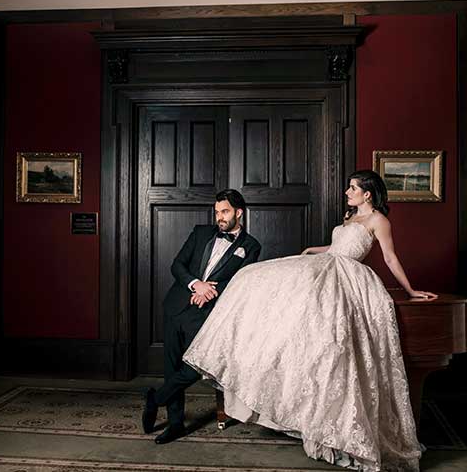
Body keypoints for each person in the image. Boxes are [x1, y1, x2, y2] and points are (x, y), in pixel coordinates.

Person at [182, 170, 435, 471]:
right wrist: (312, 251)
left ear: (368, 193)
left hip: (348, 278)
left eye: (353, 188)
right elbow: (336, 249)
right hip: (326, 266)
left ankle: (340, 427)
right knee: (253, 277)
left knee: (332, 340)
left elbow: (390, 258)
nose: (347, 192)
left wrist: (410, 290)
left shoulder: (378, 221)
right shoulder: (349, 218)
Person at [142, 189, 262, 444]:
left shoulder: (250, 246)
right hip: (177, 305)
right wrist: (197, 284)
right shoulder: (200, 232)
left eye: (225, 211)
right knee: (172, 366)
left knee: (197, 366)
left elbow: (240, 282)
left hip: (209, 314)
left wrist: (210, 292)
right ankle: (175, 425)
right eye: (217, 211)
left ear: (238, 213)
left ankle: (155, 399)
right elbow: (177, 265)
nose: (219, 217)